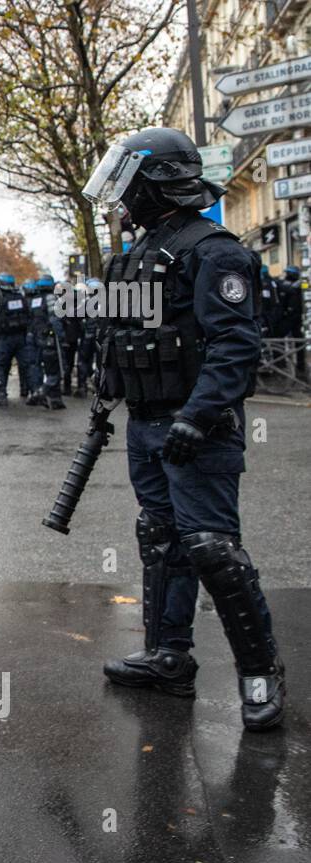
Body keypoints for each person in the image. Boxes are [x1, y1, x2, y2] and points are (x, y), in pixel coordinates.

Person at [83, 127, 283, 730]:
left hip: (200, 428)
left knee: (212, 550)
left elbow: (235, 346)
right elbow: (127, 336)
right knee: (161, 540)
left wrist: (198, 418)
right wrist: (107, 389)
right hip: (147, 424)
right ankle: (170, 657)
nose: (121, 195)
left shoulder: (214, 250)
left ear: (156, 182)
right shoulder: (142, 250)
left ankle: (260, 671)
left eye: (128, 181)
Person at [24, 274, 65, 409]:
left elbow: (30, 319)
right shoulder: (50, 298)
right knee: (54, 368)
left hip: (36, 338)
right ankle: (47, 393)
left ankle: (40, 392)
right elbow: (54, 319)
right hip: (50, 339)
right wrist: (61, 336)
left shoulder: (34, 299)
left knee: (36, 367)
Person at [0, 273, 28, 406]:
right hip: (21, 338)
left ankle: (0, 395)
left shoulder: (0, 300)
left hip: (5, 339)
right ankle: (28, 391)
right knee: (26, 365)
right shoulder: (20, 298)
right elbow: (28, 316)